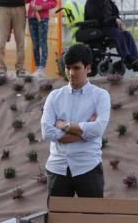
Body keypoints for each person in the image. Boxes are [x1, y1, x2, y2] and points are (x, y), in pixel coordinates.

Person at [40, 44, 111, 198]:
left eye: (77, 68)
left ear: (88, 68)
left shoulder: (100, 96)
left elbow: (98, 129)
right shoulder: (54, 96)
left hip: (88, 167)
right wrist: (82, 133)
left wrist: (63, 125)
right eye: (68, 68)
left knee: (92, 219)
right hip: (57, 168)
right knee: (57, 220)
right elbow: (46, 131)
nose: (71, 73)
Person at [84, 0, 138, 70]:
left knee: (126, 34)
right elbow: (97, 16)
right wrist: (114, 20)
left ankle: (136, 59)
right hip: (96, 28)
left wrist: (121, 24)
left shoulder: (110, 3)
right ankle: (127, 58)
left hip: (109, 28)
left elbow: (116, 16)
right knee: (117, 33)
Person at [24, 0, 57, 78]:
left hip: (42, 18)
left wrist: (41, 6)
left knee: (43, 42)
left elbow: (53, 2)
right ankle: (37, 67)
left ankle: (42, 68)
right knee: (35, 43)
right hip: (31, 17)